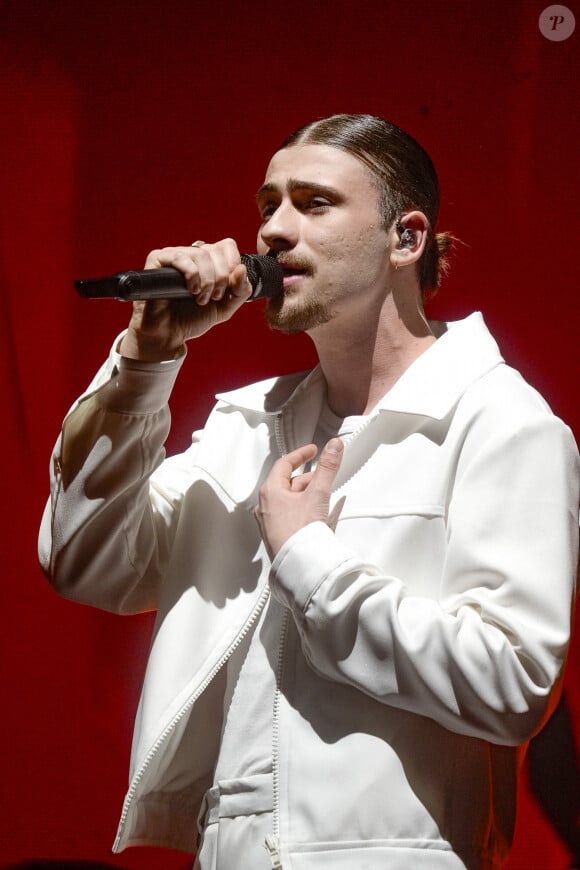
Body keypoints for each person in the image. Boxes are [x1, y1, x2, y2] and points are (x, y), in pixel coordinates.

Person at [38, 114, 579, 870]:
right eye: (267, 205)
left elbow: (511, 681)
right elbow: (87, 562)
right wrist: (144, 364)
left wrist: (309, 560)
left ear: (406, 239)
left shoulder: (498, 421)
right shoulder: (246, 425)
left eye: (313, 203)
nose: (273, 232)